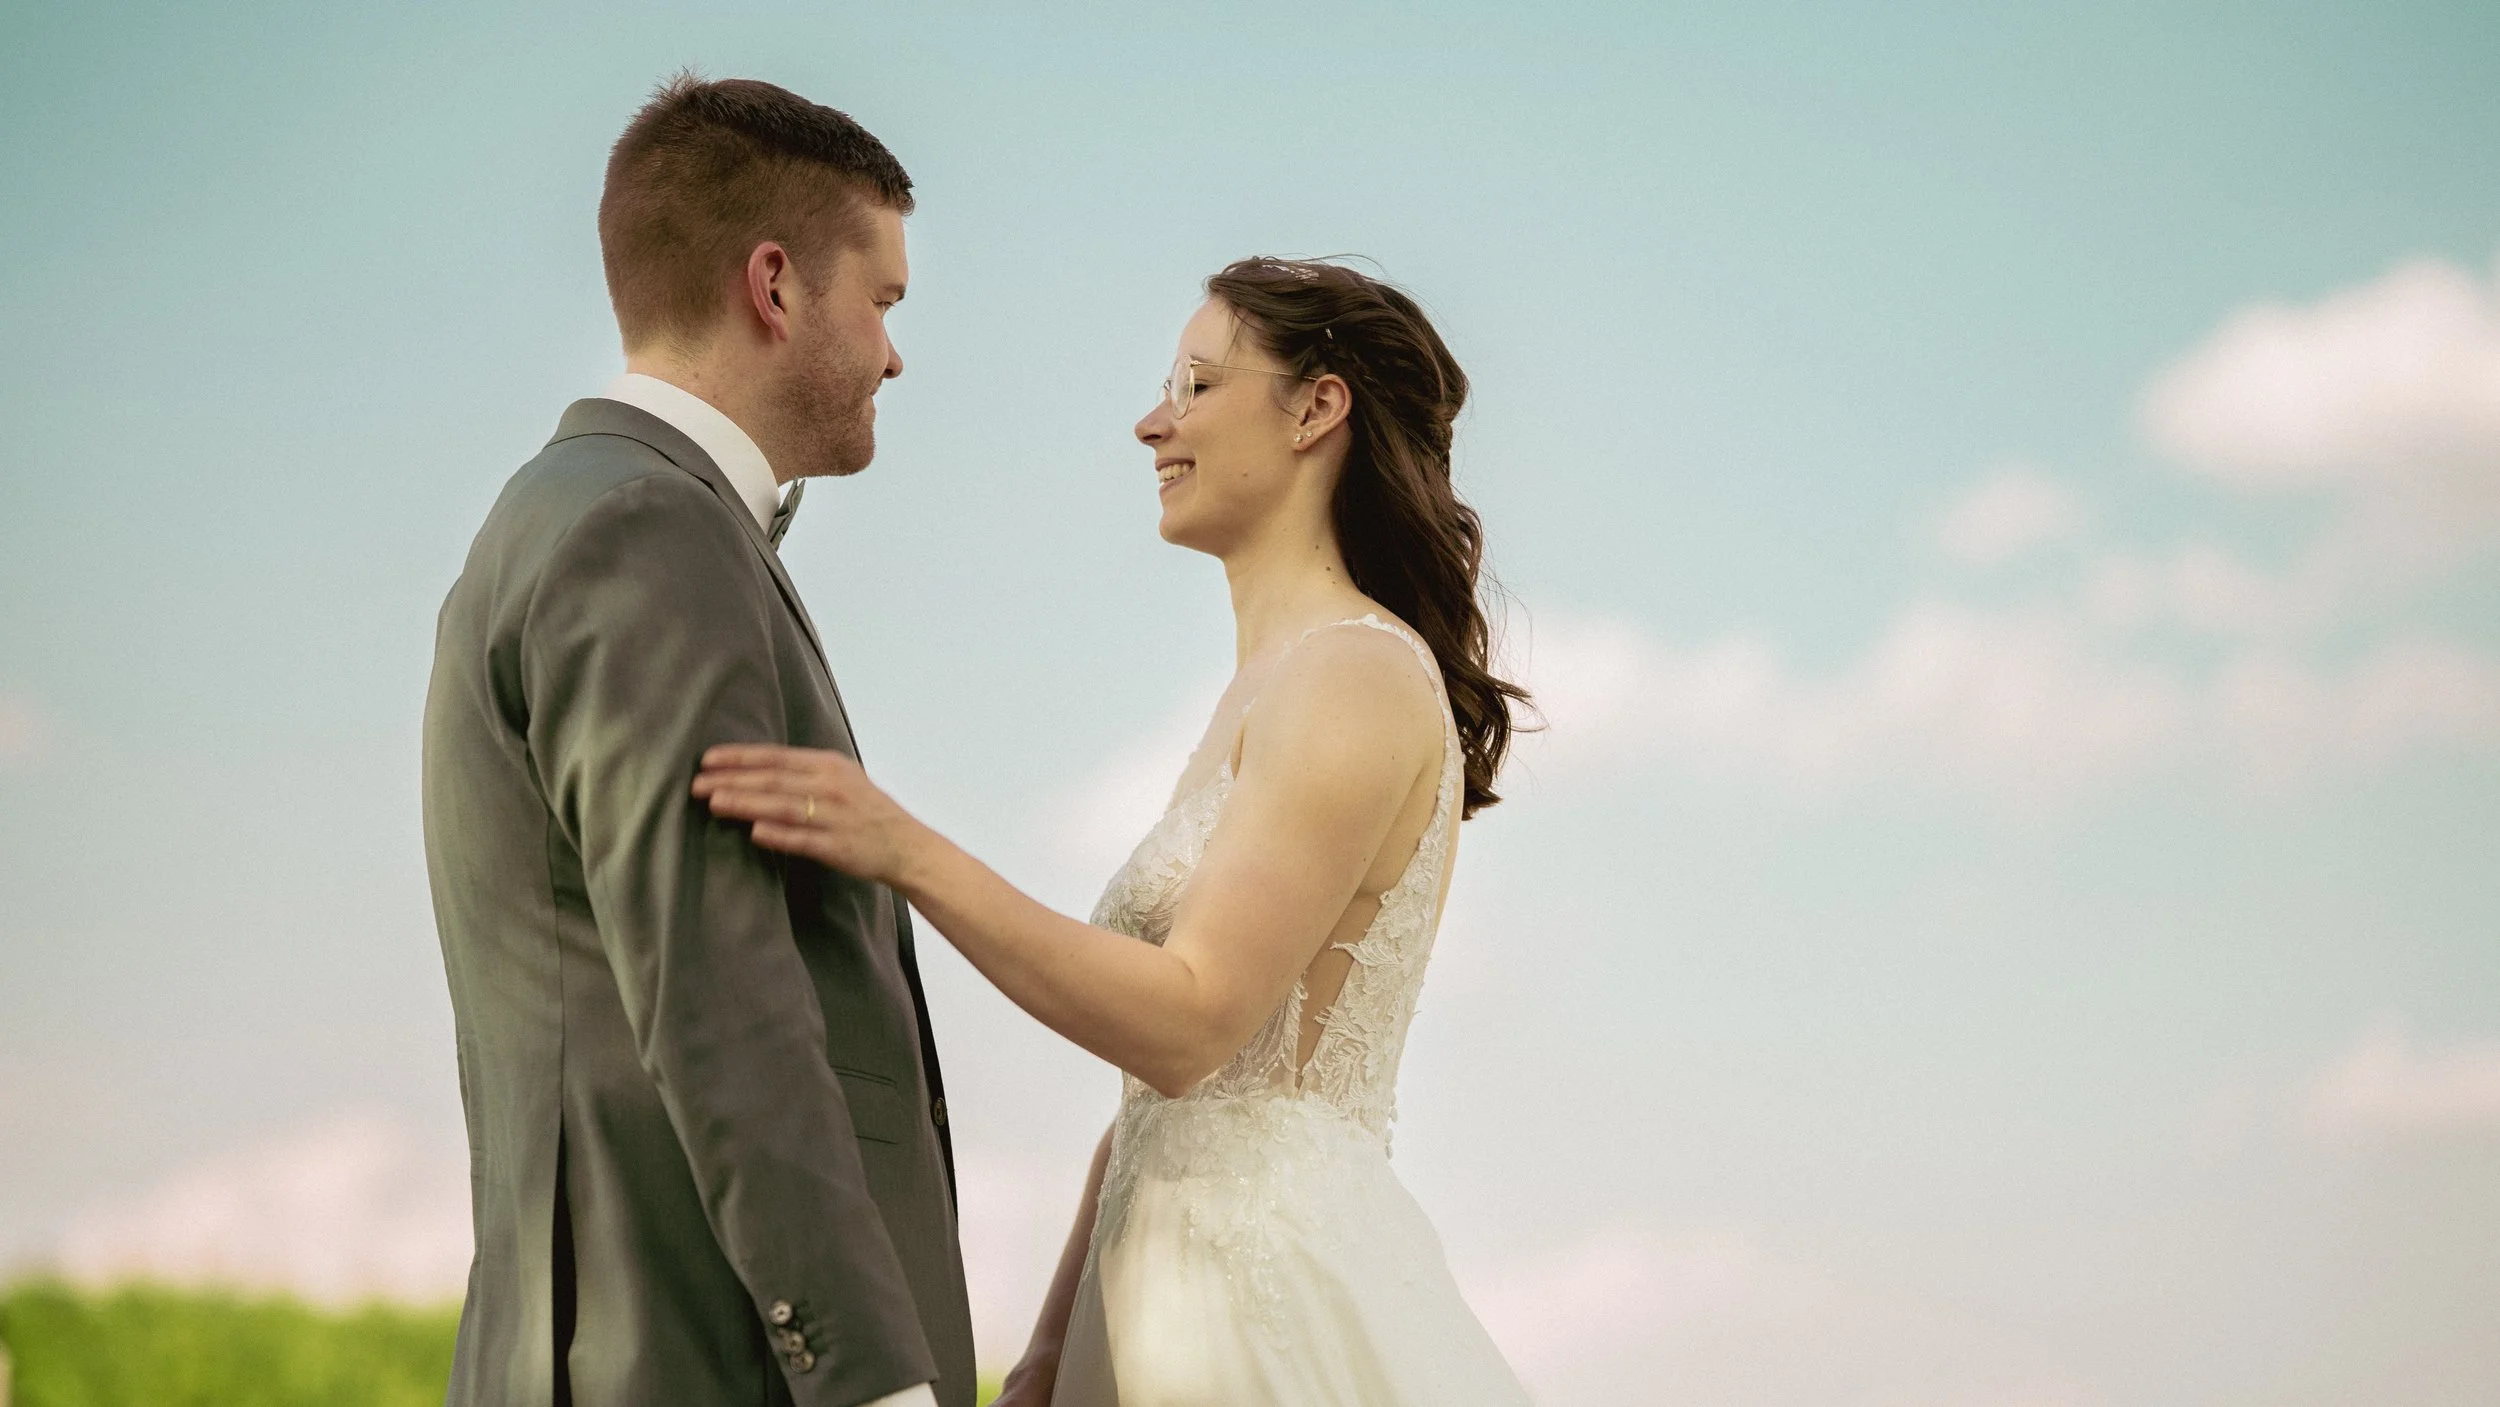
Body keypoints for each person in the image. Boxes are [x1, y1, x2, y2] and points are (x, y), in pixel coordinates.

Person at [695, 257, 1535, 1405]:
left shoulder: (1354, 678)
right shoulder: (1267, 685)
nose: (1152, 424)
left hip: (1255, 1312)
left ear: (1317, 409)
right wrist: (1047, 1346)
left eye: (1195, 385)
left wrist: (904, 850)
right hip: (1146, 1301)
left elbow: (1188, 1024)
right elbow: (1163, 1100)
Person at [422, 75, 973, 1407]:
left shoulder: (580, 510)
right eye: (884, 299)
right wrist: (872, 1378)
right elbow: (718, 981)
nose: (896, 352)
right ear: (775, 286)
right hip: (690, 1358)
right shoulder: (647, 529)